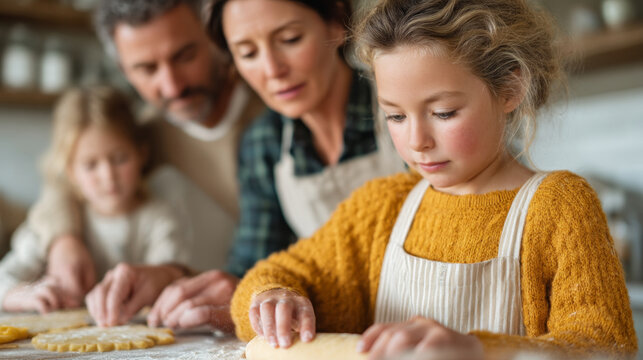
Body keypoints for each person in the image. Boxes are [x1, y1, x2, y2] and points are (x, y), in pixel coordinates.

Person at [229, 0, 637, 358]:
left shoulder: (559, 206)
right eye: (396, 116)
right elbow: (272, 276)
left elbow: (606, 347)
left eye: (443, 113)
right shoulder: (381, 207)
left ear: (510, 88)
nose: (417, 141)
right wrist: (275, 298)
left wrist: (477, 350)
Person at [24, 0, 263, 327]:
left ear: (214, 36)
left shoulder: (276, 103)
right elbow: (63, 180)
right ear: (123, 70)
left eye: (185, 56)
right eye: (146, 69)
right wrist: (64, 239)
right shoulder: (147, 133)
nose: (172, 86)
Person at [208, 0, 406, 278]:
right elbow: (254, 266)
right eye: (248, 53)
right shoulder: (264, 141)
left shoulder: (401, 105)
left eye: (290, 39)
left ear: (336, 25)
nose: (272, 69)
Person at [0, 87, 189, 317]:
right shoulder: (52, 223)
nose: (108, 176)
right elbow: (5, 277)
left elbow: (172, 281)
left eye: (120, 159)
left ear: (142, 153)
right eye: (90, 165)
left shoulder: (160, 219)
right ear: (70, 171)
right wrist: (21, 294)